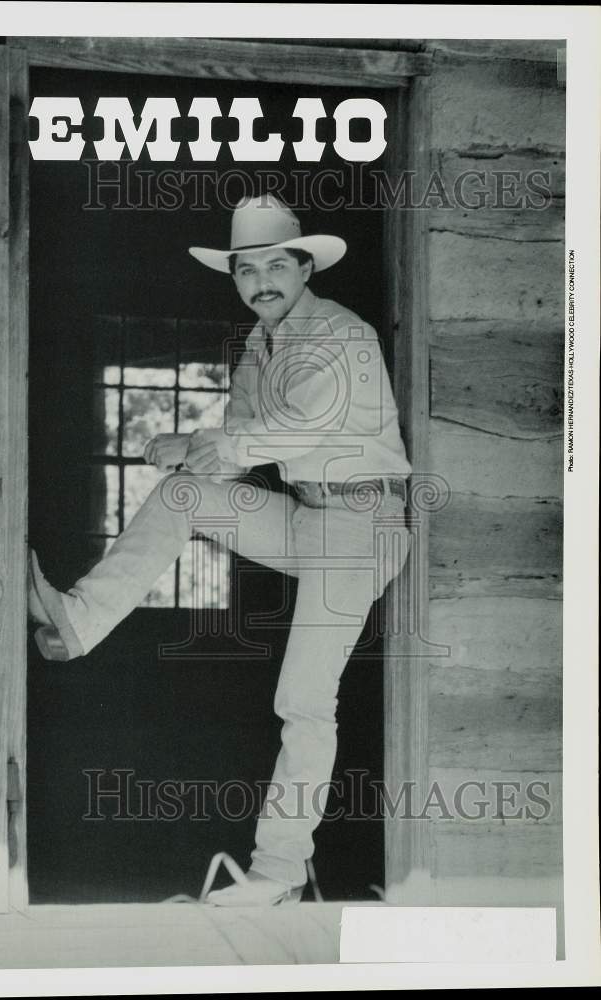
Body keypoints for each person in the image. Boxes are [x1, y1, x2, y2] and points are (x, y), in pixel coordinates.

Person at [28, 194, 413, 906]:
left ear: (304, 267)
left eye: (275, 265)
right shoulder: (258, 349)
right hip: (307, 518)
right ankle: (81, 620)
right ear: (234, 280)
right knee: (183, 495)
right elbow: (234, 457)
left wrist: (207, 445)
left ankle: (278, 874)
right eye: (245, 271)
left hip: (363, 524)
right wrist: (185, 456)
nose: (261, 281)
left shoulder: (339, 334)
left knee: (302, 699)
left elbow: (301, 429)